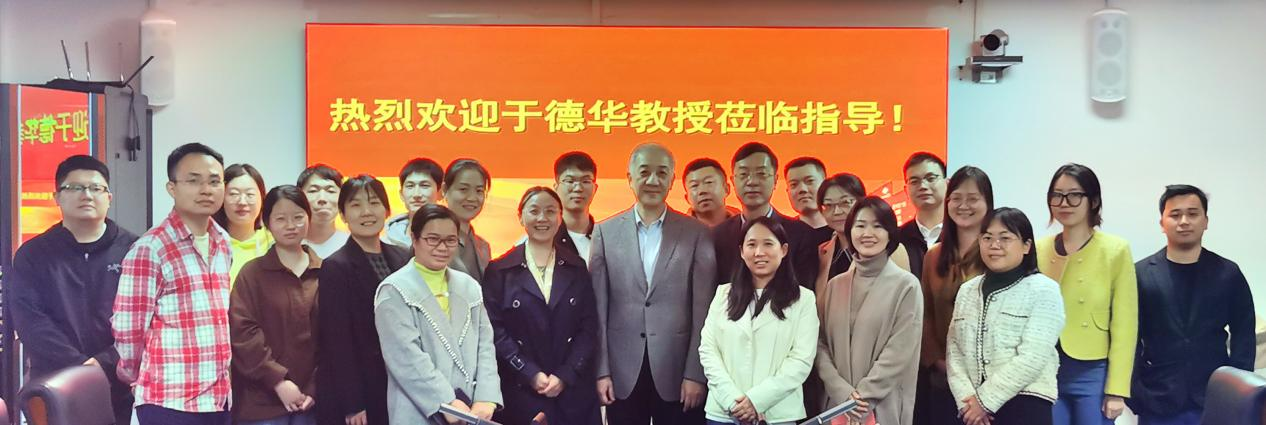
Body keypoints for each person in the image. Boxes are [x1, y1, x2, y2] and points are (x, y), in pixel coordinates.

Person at [592, 143, 717, 425]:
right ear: (629, 178)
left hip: (678, 373)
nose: (653, 180)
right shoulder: (605, 232)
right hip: (622, 373)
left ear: (672, 180)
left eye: (662, 173)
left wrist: (696, 374)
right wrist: (601, 371)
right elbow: (598, 310)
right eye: (644, 172)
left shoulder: (697, 233)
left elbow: (703, 312)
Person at [10, 155, 138, 425]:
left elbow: (141, 319)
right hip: (53, 382)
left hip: (116, 381)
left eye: (96, 188)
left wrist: (105, 362)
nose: (87, 195)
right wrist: (81, 366)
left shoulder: (135, 250)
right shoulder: (33, 254)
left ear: (109, 197)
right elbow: (30, 321)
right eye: (75, 188)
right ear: (57, 197)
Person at [112, 142, 233, 424]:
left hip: (218, 398)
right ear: (172, 188)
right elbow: (129, 329)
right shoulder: (151, 248)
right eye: (193, 181)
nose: (206, 189)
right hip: (169, 400)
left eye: (214, 181)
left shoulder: (223, 242)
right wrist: (136, 375)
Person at [1129, 185, 1255, 425]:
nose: (1184, 221)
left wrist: (1237, 386)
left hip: (1215, 397)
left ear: (1206, 221)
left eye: (1193, 214)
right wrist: (1136, 389)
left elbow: (1244, 332)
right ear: (1162, 223)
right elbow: (1128, 335)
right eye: (1175, 215)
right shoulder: (1141, 274)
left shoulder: (1227, 273)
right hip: (1158, 398)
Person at [483, 187, 601, 425]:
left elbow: (588, 328)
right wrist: (529, 373)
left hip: (572, 390)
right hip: (520, 390)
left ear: (560, 217)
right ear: (520, 217)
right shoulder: (500, 270)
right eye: (534, 211)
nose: (542, 218)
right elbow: (495, 331)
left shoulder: (576, 267)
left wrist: (565, 375)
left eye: (550, 211)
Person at [374, 204, 502, 424]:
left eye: (450, 240)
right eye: (433, 239)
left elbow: (485, 346)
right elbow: (406, 358)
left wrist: (486, 397)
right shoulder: (394, 290)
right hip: (418, 411)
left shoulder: (469, 286)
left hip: (472, 410)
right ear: (414, 239)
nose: (442, 247)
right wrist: (446, 402)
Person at [1037, 163, 1137, 425]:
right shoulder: (1038, 248)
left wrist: (1117, 390)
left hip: (1093, 370)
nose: (1064, 203)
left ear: (1093, 201)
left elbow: (1125, 324)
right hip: (1045, 368)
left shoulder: (1115, 250)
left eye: (1074, 195)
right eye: (1057, 195)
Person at [947, 207, 1065, 425]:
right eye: (987, 238)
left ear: (1026, 246)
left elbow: (1033, 356)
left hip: (1025, 405)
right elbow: (954, 350)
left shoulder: (1044, 290)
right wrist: (967, 403)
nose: (995, 245)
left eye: (1005, 238)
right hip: (971, 410)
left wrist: (984, 401)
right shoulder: (967, 290)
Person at [699, 217, 819, 425]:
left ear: (784, 250)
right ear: (741, 251)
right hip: (724, 411)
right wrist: (734, 401)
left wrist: (756, 401)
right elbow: (708, 351)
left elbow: (801, 360)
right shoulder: (723, 294)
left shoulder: (803, 299)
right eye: (752, 245)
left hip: (777, 414)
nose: (759, 252)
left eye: (768, 244)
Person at [816, 196, 923, 425]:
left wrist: (862, 397)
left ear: (890, 234)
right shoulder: (835, 285)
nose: (868, 233)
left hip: (881, 405)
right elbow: (820, 344)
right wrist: (841, 392)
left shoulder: (907, 286)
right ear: (850, 231)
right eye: (860, 225)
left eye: (877, 226)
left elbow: (900, 351)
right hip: (836, 404)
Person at [316, 175, 412, 425]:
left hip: (402, 383)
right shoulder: (336, 266)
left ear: (387, 210)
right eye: (356, 205)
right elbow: (337, 340)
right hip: (363, 390)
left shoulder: (403, 257)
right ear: (343, 215)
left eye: (374, 203)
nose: (367, 212)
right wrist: (353, 403)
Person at [230, 185, 321, 425]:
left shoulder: (326, 272)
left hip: (314, 402)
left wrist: (314, 387)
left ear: (309, 219)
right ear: (267, 223)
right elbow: (243, 333)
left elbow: (335, 337)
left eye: (298, 217)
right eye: (281, 219)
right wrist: (278, 380)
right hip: (260, 404)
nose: (291, 225)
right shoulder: (252, 273)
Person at [915, 166, 993, 425]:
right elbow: (925, 315)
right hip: (943, 379)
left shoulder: (998, 252)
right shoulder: (934, 255)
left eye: (973, 199)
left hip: (989, 385)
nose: (963, 206)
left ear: (988, 203)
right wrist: (938, 361)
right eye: (956, 198)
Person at [713, 142, 818, 289]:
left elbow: (804, 292)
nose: (752, 182)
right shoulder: (717, 236)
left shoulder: (801, 235)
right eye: (743, 175)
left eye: (761, 174)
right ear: (732, 181)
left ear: (775, 180)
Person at [812, 173, 912, 293]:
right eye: (828, 205)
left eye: (845, 202)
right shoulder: (822, 252)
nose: (837, 211)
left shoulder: (890, 249)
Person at [213, 163, 272, 283]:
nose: (242, 202)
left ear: (262, 198)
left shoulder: (274, 242)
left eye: (250, 194)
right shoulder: (211, 243)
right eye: (234, 194)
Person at [897, 152, 947, 284]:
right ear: (906, 190)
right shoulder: (895, 239)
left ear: (947, 183)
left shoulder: (961, 235)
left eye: (931, 178)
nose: (923, 186)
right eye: (914, 181)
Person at [443, 158, 492, 281]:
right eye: (463, 189)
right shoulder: (430, 242)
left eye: (479, 191)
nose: (472, 198)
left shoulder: (483, 247)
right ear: (444, 190)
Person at [383, 157, 444, 248]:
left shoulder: (454, 237)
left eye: (424, 186)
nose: (416, 194)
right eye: (410, 186)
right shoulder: (386, 242)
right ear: (401, 194)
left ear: (440, 192)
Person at [552, 151, 599, 264]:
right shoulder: (540, 241)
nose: (578, 188)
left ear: (595, 188)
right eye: (569, 181)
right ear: (556, 187)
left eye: (586, 181)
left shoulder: (607, 239)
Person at [298, 164, 350, 258]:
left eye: (330, 191)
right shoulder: (287, 245)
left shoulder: (353, 246)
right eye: (313, 191)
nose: (322, 198)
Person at [683, 158, 740, 227]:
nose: (702, 190)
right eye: (694, 185)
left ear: (726, 189)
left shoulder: (744, 225)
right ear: (687, 198)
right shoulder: (678, 230)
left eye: (709, 182)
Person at [784, 157, 828, 229]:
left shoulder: (844, 230)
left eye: (810, 181)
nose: (802, 189)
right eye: (794, 184)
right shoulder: (780, 232)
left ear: (825, 185)